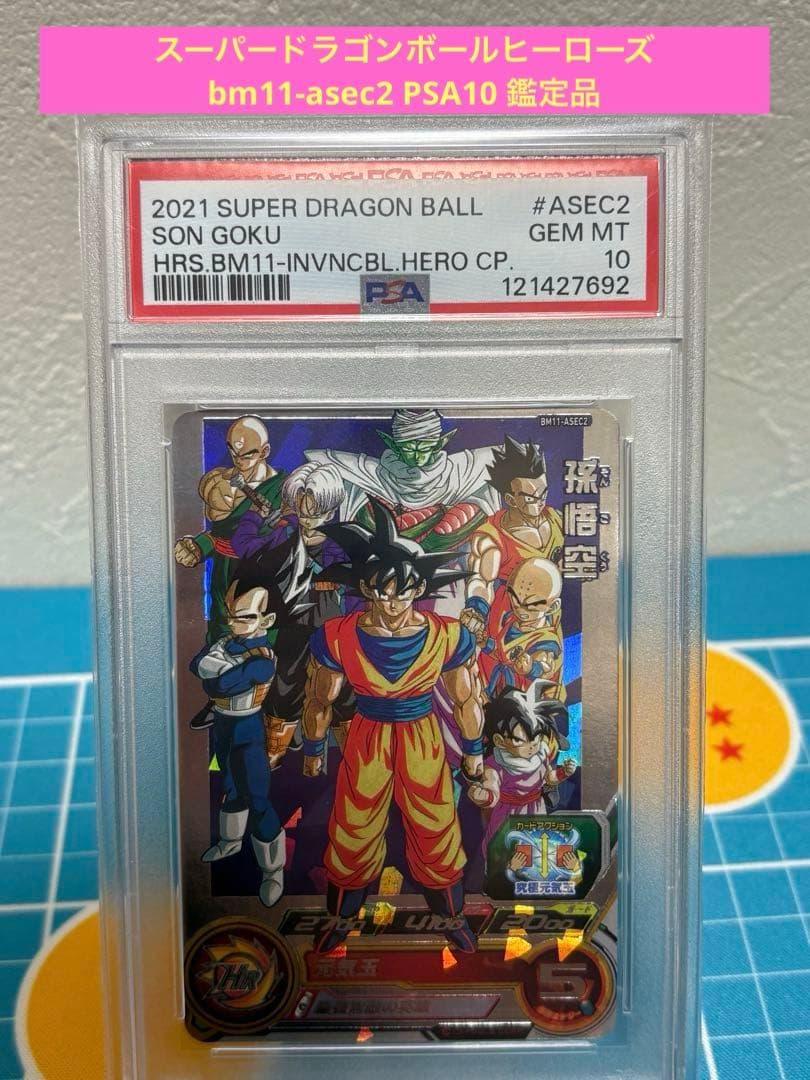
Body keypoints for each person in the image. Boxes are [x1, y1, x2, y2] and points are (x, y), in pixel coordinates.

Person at [300, 500, 484, 953]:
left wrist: (474, 749)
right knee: (354, 824)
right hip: (367, 735)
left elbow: (466, 698)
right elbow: (319, 698)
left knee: (435, 821)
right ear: (366, 588)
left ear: (418, 589)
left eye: (401, 592)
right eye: (381, 593)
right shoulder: (338, 634)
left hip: (422, 734)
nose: (391, 603)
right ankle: (341, 917)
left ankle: (450, 914)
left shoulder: (447, 635)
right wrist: (313, 749)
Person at [189, 536, 310, 906]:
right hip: (223, 726)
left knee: (257, 799)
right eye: (231, 615)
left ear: (266, 620)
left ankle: (273, 872)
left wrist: (217, 668)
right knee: (230, 787)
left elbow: (220, 682)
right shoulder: (229, 644)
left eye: (245, 617)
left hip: (248, 728)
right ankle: (229, 842)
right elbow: (197, 666)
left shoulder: (262, 658)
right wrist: (216, 668)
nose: (234, 623)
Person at [230, 461, 354, 766]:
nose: (307, 520)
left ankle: (352, 747)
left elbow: (359, 579)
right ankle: (277, 745)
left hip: (332, 621)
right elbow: (244, 546)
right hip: (292, 620)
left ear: (331, 511)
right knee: (286, 680)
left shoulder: (343, 543)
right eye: (302, 512)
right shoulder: (283, 536)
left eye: (315, 513)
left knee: (342, 686)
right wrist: (254, 514)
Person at [305, 408, 498, 553]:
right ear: (394, 446)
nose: (417, 456)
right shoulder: (373, 473)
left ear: (439, 445)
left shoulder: (459, 472)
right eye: (408, 448)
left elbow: (501, 457)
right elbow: (327, 459)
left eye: (424, 448)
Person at [175, 415, 285, 641]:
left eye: (246, 455)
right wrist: (198, 546)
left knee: (261, 629)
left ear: (264, 451)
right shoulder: (219, 483)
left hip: (262, 570)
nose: (238, 461)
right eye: (233, 453)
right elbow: (220, 534)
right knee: (222, 627)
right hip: (224, 569)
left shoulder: (281, 488)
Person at [462, 436, 563, 645]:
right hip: (508, 623)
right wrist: (476, 609)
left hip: (547, 618)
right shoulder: (491, 536)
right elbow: (481, 580)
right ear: (510, 499)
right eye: (531, 498)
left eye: (544, 494)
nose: (540, 503)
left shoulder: (557, 519)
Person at [466, 687, 576, 850]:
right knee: (507, 853)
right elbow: (492, 791)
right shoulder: (496, 764)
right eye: (520, 740)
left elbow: (548, 778)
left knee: (536, 853)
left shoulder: (540, 754)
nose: (531, 746)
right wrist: (484, 796)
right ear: (499, 740)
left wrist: (563, 773)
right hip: (508, 817)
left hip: (536, 811)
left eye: (536, 737)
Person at [478, 557, 565, 700]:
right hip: (497, 688)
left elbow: (546, 669)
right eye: (515, 599)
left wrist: (530, 668)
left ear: (552, 607)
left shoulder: (546, 639)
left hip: (521, 698)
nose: (520, 609)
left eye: (531, 604)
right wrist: (485, 643)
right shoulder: (511, 620)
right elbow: (502, 652)